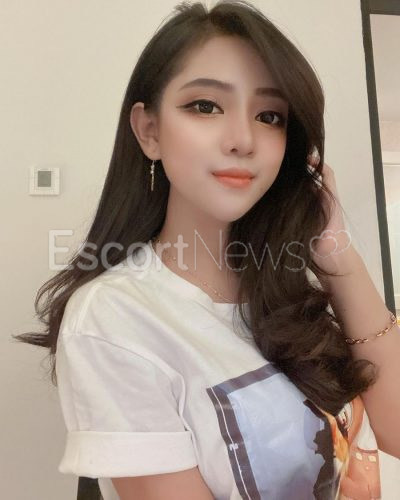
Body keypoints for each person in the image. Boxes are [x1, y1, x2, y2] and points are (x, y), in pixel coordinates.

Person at [13, 1, 400, 499]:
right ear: (149, 131)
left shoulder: (285, 285)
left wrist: (336, 253)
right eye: (205, 106)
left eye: (269, 116)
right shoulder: (113, 318)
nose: (243, 139)